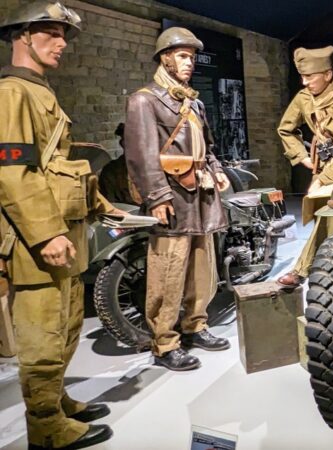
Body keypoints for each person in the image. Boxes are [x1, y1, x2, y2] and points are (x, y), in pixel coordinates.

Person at [0, 2, 121, 448]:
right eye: (51, 33)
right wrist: (46, 233)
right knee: (43, 333)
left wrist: (102, 204)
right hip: (36, 240)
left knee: (67, 325)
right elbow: (13, 172)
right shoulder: (12, 93)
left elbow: (57, 166)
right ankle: (45, 424)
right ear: (22, 36)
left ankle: (57, 399)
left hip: (62, 232)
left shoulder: (38, 90)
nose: (62, 43)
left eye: (64, 34)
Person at [125, 27, 231, 371]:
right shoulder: (145, 100)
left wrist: (216, 168)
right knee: (168, 272)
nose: (190, 62)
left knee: (202, 268)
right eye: (183, 56)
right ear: (165, 58)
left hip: (201, 194)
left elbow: (208, 146)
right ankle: (165, 341)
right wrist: (156, 195)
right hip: (172, 196)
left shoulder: (193, 101)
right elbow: (141, 153)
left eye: (192, 56)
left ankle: (196, 324)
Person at [276, 46, 333, 288]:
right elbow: (285, 129)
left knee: (331, 218)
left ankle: (304, 270)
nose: (305, 82)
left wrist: (325, 176)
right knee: (324, 219)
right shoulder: (304, 99)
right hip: (323, 169)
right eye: (302, 77)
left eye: (310, 77)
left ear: (328, 75)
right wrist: (302, 157)